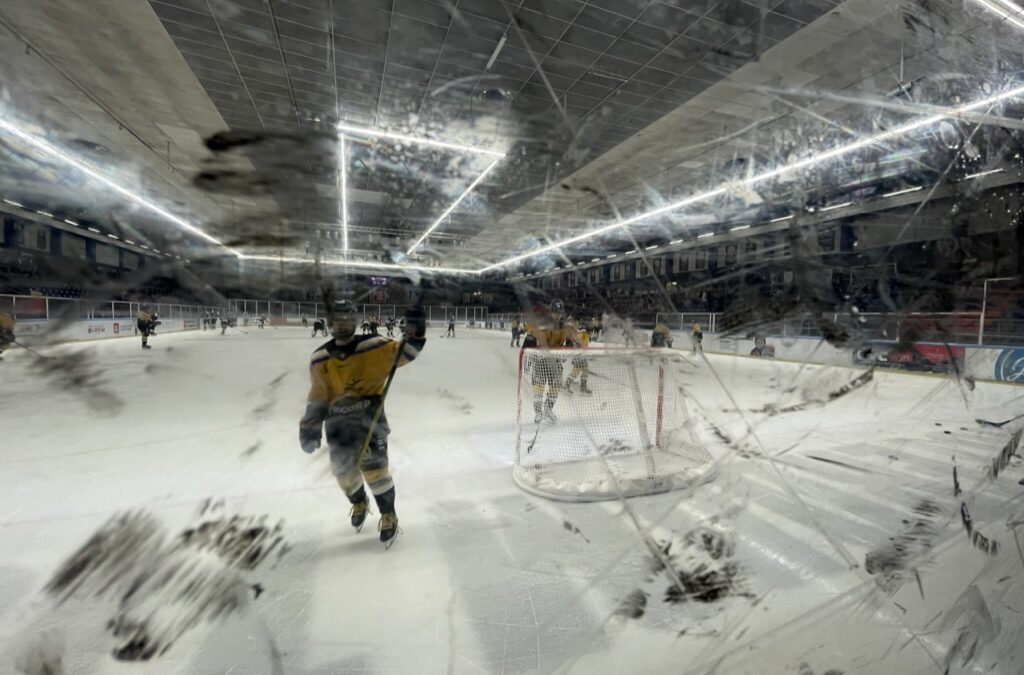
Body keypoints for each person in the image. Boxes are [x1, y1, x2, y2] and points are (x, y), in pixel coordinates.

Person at [299, 299, 427, 547]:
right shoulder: (319, 358)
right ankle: (359, 501)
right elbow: (318, 394)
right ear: (330, 323)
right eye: (338, 319)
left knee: (376, 472)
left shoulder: (375, 346)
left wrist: (416, 330)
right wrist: (311, 424)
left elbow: (407, 351)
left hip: (370, 420)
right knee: (344, 476)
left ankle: (388, 514)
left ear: (355, 321)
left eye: (348, 318)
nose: (343, 324)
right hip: (337, 425)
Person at [521, 301, 572, 422]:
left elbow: (570, 341)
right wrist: (527, 349)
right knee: (539, 387)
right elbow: (531, 336)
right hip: (541, 360)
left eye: (559, 313)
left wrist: (568, 348)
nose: (557, 315)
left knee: (556, 385)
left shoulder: (564, 326)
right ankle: (538, 413)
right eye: (555, 313)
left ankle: (548, 408)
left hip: (555, 361)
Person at [563, 322, 592, 395]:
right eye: (592, 332)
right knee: (576, 372)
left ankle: (582, 387)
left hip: (581, 356)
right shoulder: (583, 334)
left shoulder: (584, 334)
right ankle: (567, 385)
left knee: (585, 371)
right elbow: (578, 343)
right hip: (579, 356)